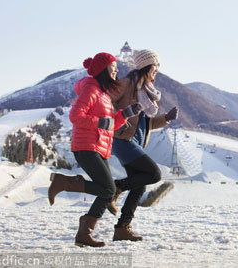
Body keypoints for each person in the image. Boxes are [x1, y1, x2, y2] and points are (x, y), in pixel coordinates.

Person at [47, 52, 142, 247]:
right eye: (113, 67)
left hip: (98, 147)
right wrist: (101, 121)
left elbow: (110, 124)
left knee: (108, 190)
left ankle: (83, 232)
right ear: (103, 70)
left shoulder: (103, 94)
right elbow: (75, 116)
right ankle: (65, 185)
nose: (116, 70)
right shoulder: (91, 90)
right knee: (108, 190)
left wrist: (126, 113)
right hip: (86, 145)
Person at [108, 49, 178, 242]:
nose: (157, 69)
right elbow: (106, 103)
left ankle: (122, 228)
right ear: (147, 65)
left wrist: (166, 119)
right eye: (156, 65)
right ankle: (116, 187)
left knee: (139, 186)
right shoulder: (127, 84)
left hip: (135, 141)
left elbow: (146, 124)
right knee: (154, 174)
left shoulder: (146, 91)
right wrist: (115, 120)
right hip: (122, 140)